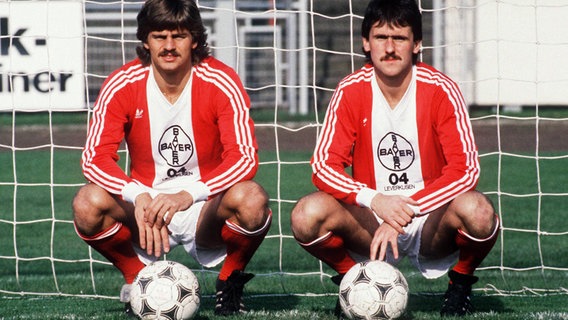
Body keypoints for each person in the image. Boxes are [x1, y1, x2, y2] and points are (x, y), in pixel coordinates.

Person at [290, 0, 499, 317]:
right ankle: (353, 280)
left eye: (400, 38)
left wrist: (406, 210)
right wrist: (376, 201)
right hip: (371, 220)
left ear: (417, 44)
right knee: (306, 214)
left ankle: (461, 281)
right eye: (380, 38)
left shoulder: (441, 89)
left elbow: (465, 170)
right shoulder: (350, 91)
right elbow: (323, 166)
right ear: (365, 42)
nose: (389, 48)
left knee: (480, 212)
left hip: (428, 218)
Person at [72, 0, 272, 316]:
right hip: (146, 210)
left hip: (203, 206)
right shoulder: (122, 83)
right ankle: (137, 279)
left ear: (194, 39)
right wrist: (139, 196)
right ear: (144, 40)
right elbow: (94, 160)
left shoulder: (221, 80)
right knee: (87, 203)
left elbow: (244, 158)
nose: (168, 46)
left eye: (178, 36)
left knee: (252, 197)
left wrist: (188, 194)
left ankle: (229, 280)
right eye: (159, 36)